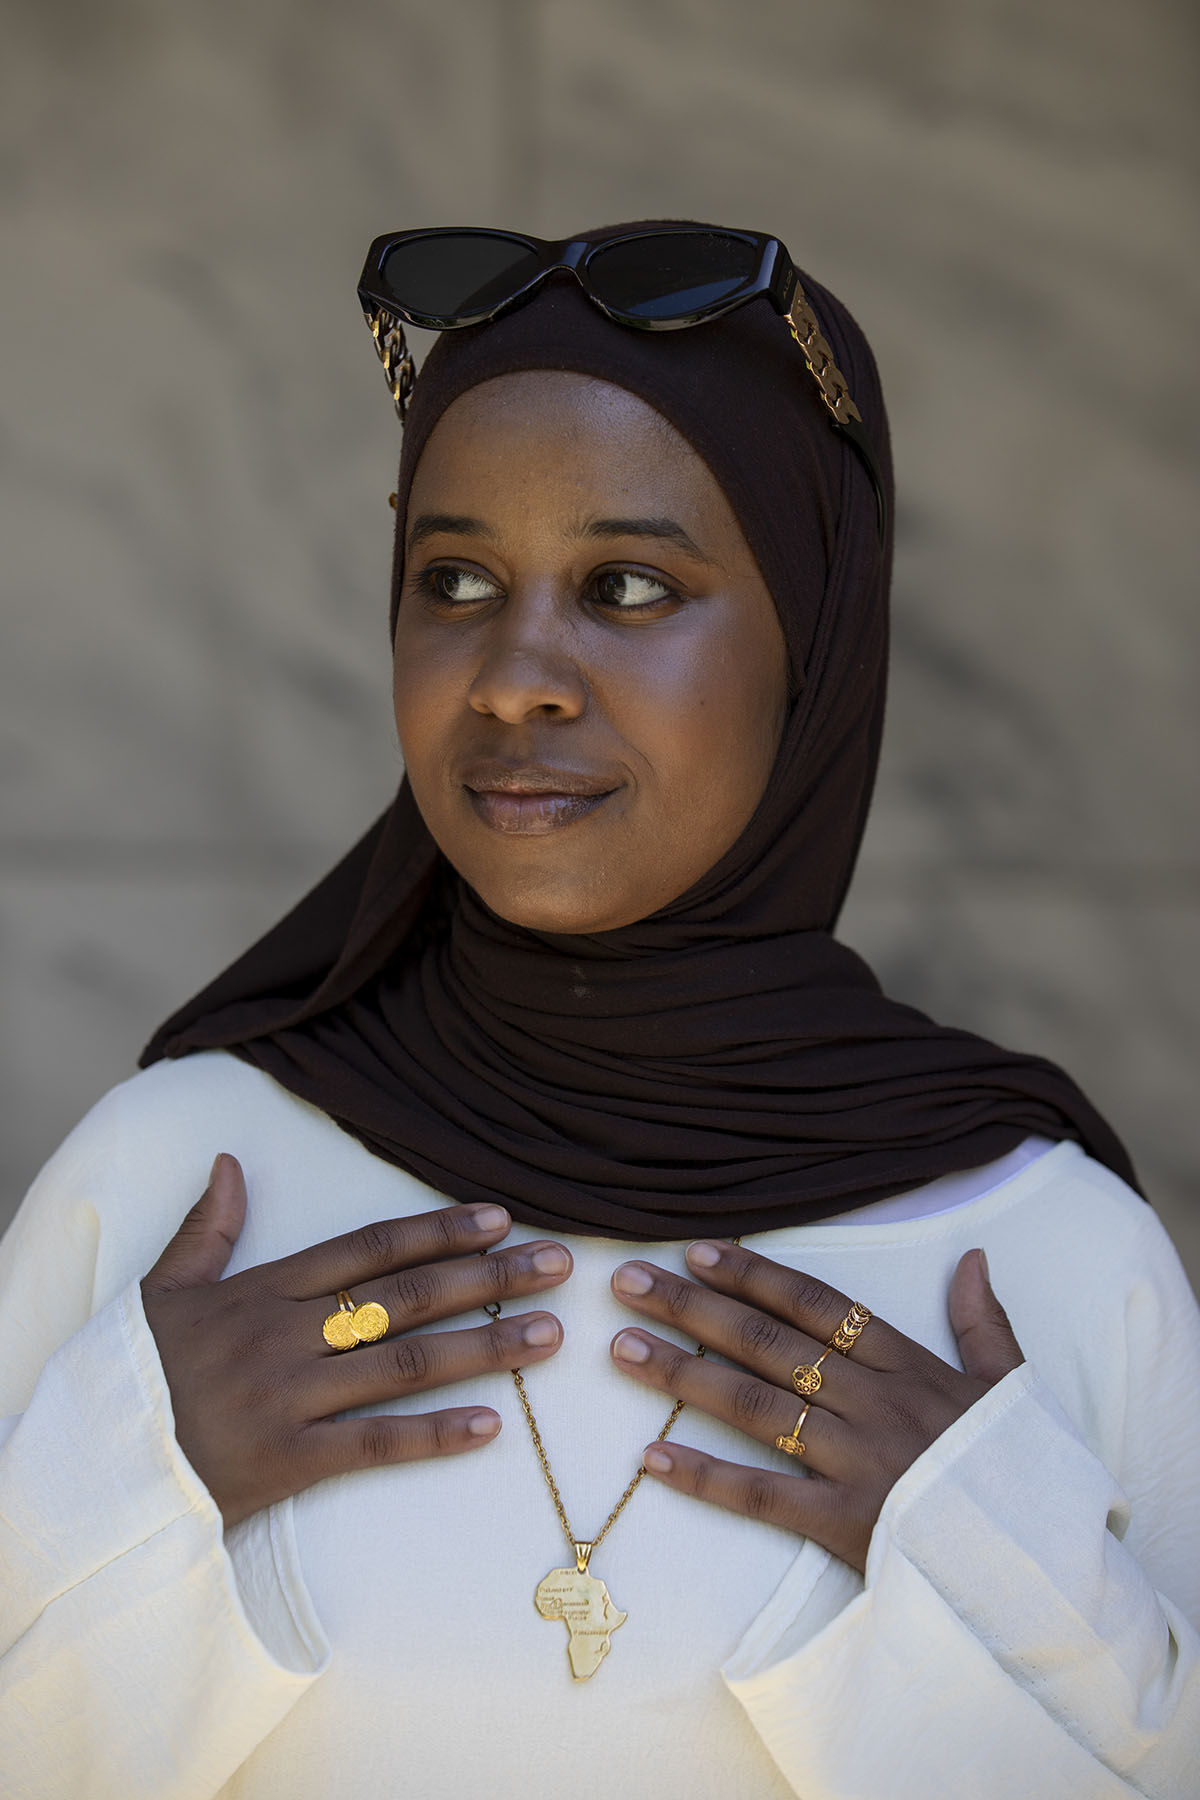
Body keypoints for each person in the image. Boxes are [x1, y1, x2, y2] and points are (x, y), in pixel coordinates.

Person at [1, 222, 1197, 1800]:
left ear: (816, 643)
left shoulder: (1043, 1249)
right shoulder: (175, 1179)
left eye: (629, 586)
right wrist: (117, 1467)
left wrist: (988, 1540)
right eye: (456, 581)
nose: (514, 676)